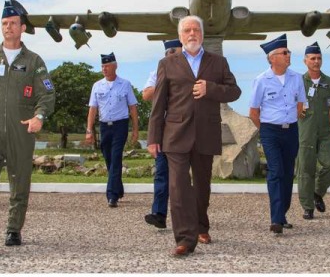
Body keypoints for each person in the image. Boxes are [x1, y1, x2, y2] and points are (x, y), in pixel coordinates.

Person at [0, 1, 56, 251]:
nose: (8, 27)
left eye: (13, 23)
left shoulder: (34, 61)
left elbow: (47, 94)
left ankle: (14, 229)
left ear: (22, 27)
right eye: (4, 23)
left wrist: (40, 116)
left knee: (19, 182)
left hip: (21, 130)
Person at [147, 15, 241, 257]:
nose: (192, 34)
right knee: (178, 187)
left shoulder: (218, 63)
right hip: (175, 135)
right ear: (180, 36)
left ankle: (201, 226)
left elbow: (235, 91)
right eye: (187, 30)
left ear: (202, 35)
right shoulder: (167, 63)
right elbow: (158, 104)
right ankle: (185, 240)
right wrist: (153, 138)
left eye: (196, 30)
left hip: (206, 134)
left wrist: (211, 89)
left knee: (201, 187)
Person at [249, 34, 305, 234]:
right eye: (284, 52)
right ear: (272, 58)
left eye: (288, 52)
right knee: (276, 171)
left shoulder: (297, 78)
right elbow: (254, 112)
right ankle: (276, 219)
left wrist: (288, 121)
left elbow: (300, 105)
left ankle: (282, 214)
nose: (288, 55)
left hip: (290, 130)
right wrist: (264, 130)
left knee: (288, 173)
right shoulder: (261, 80)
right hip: (270, 131)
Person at [297, 41, 330, 220]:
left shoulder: (329, 82)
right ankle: (308, 207)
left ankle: (317, 193)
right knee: (305, 171)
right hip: (305, 132)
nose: (316, 61)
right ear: (305, 61)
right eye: (312, 58)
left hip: (325, 132)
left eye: (319, 58)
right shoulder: (298, 81)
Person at [86, 52, 139, 208]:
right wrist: (89, 130)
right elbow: (92, 109)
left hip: (120, 126)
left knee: (116, 158)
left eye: (107, 65)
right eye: (103, 66)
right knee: (109, 160)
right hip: (104, 126)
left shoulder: (125, 84)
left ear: (115, 66)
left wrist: (135, 130)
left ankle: (112, 195)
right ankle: (119, 188)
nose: (105, 69)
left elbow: (133, 108)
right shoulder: (97, 86)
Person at [143, 39, 182, 229]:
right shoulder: (157, 72)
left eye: (175, 51)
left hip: (184, 130)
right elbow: (146, 94)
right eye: (168, 53)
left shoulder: (192, 72)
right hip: (164, 129)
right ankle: (159, 214)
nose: (171, 55)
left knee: (184, 177)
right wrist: (164, 81)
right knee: (161, 174)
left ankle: (190, 216)